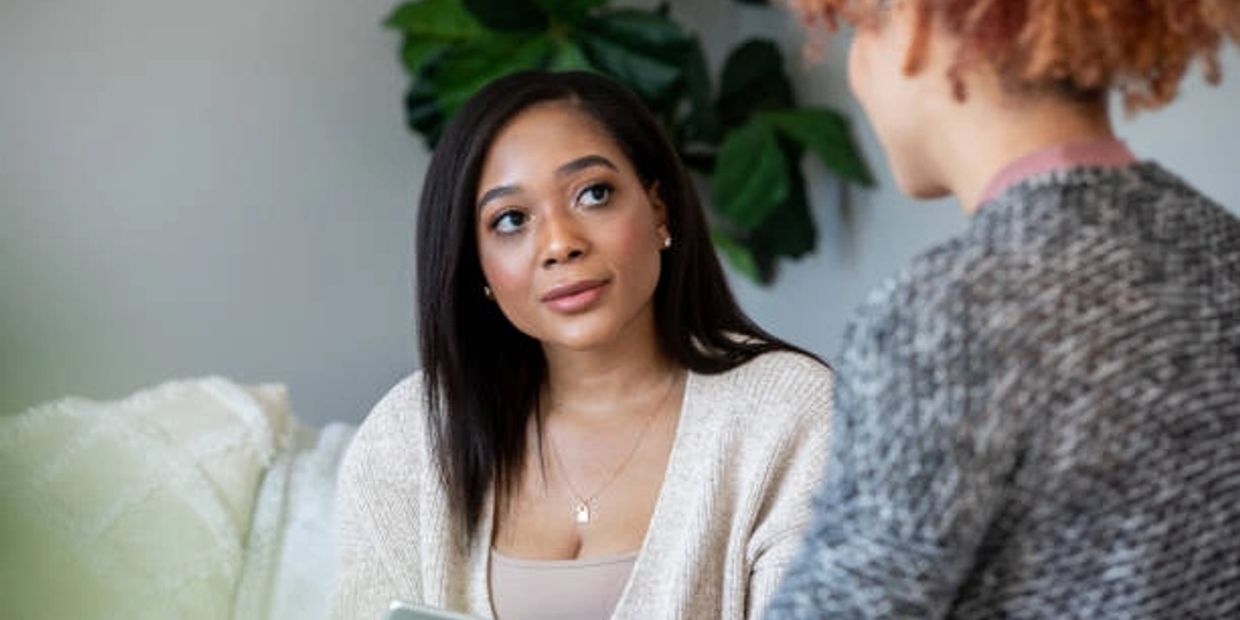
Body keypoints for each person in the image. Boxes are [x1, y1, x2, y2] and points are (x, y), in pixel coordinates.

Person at [766, 1, 1240, 618]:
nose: (854, 70)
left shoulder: (943, 314)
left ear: (914, 25)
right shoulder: (1221, 246)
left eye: (857, 30)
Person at [332, 70, 834, 620]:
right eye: (511, 220)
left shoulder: (790, 415)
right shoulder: (412, 436)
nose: (559, 244)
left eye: (593, 194)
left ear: (658, 209)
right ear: (477, 264)